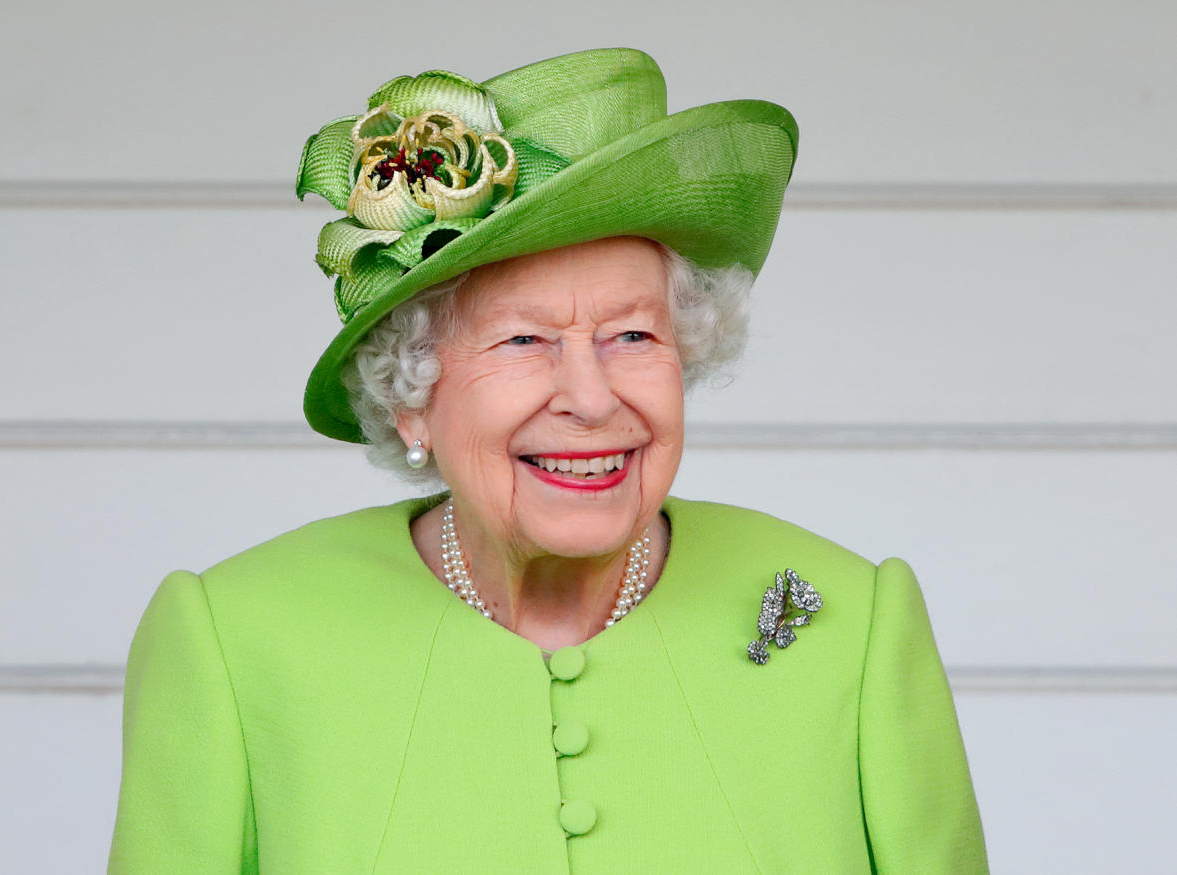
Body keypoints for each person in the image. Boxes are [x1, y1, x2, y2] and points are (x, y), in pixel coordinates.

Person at [108, 48, 988, 872]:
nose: (594, 397)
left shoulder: (853, 622)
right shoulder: (235, 637)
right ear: (410, 392)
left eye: (633, 335)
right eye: (524, 339)